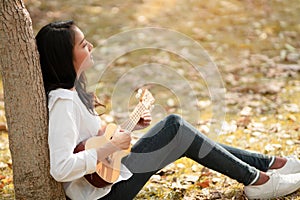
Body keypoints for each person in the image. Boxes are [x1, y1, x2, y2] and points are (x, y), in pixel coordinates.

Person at [35, 20, 300, 200]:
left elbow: (92, 141)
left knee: (177, 129)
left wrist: (130, 128)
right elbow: (60, 168)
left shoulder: (72, 93)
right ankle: (259, 180)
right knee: (175, 127)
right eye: (82, 45)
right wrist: (109, 147)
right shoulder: (62, 103)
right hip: (103, 194)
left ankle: (268, 167)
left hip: (110, 178)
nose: (90, 46)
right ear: (64, 58)